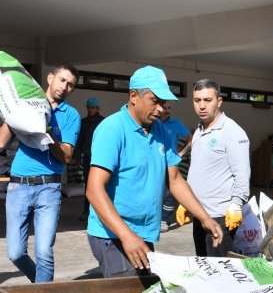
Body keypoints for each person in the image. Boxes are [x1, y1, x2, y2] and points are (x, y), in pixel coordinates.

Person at [85, 66, 221, 278]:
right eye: (155, 101)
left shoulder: (161, 131)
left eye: (163, 102)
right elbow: (94, 190)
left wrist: (204, 217)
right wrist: (126, 236)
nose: (160, 108)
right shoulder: (112, 129)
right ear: (133, 96)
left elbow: (175, 180)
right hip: (113, 234)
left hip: (143, 232)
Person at [0, 63, 80, 283]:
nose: (65, 87)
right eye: (62, 80)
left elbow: (67, 156)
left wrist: (47, 131)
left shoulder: (71, 115)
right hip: (18, 186)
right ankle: (40, 287)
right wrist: (14, 113)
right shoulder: (26, 105)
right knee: (15, 253)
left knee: (44, 252)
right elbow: (1, 142)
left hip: (49, 187)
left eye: (71, 85)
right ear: (50, 78)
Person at [177, 79, 251, 257]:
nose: (202, 106)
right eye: (197, 100)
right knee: (204, 270)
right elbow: (199, 171)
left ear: (219, 101)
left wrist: (236, 204)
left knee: (221, 274)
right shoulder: (199, 130)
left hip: (220, 217)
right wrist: (186, 202)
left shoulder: (232, 132)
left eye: (207, 100)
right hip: (199, 214)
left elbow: (242, 173)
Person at [157, 100, 191, 232]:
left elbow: (190, 138)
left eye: (169, 108)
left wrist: (181, 152)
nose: (166, 110)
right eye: (164, 107)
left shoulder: (176, 124)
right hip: (155, 163)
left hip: (170, 164)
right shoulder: (153, 122)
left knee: (167, 194)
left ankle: (166, 220)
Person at [76, 97, 105, 221]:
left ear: (98, 108)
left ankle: (100, 212)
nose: (90, 109)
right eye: (89, 107)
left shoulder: (103, 122)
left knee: (100, 185)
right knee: (88, 185)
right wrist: (78, 158)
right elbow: (79, 141)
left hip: (101, 159)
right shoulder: (83, 122)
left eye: (93, 107)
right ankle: (86, 211)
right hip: (88, 159)